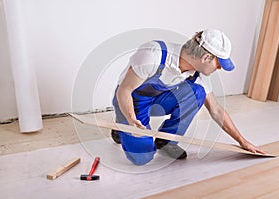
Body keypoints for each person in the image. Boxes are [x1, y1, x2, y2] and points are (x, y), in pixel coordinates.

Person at [111, 29, 265, 165]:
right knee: (142, 159)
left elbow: (216, 110)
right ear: (206, 58)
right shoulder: (154, 54)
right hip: (132, 101)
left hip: (159, 99)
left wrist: (242, 142)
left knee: (197, 93)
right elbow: (124, 91)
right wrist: (131, 120)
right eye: (219, 63)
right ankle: (121, 127)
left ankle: (166, 141)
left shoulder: (198, 73)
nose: (219, 68)